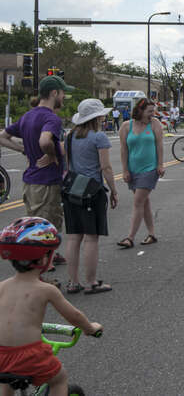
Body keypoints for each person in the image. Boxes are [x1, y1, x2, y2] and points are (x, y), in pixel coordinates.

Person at [0, 217, 102, 396]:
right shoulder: (45, 289)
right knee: (59, 379)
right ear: (43, 259)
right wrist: (89, 328)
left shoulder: (2, 286)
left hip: (2, 354)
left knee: (7, 381)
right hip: (29, 355)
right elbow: (74, 316)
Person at [0, 75, 70, 268]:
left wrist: (24, 150)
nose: (64, 97)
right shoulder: (51, 118)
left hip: (30, 180)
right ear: (54, 93)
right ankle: (43, 264)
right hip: (46, 181)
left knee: (36, 220)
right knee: (45, 225)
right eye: (63, 93)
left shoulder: (28, 116)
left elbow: (3, 136)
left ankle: (49, 255)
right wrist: (54, 155)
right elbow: (45, 141)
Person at [62, 99, 119, 295]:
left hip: (72, 190)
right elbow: (106, 167)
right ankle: (91, 282)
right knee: (91, 238)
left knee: (73, 237)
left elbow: (68, 165)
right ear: (97, 117)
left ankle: (72, 282)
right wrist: (114, 190)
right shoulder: (99, 137)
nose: (104, 117)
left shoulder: (70, 136)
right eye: (102, 115)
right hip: (92, 191)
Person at [117, 99, 164, 249]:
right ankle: (152, 234)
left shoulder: (155, 124)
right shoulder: (126, 126)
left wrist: (160, 164)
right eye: (149, 111)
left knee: (138, 202)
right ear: (140, 111)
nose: (152, 114)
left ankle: (130, 238)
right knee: (144, 202)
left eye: (153, 111)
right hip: (133, 169)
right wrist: (124, 170)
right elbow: (124, 149)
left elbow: (159, 144)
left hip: (149, 169)